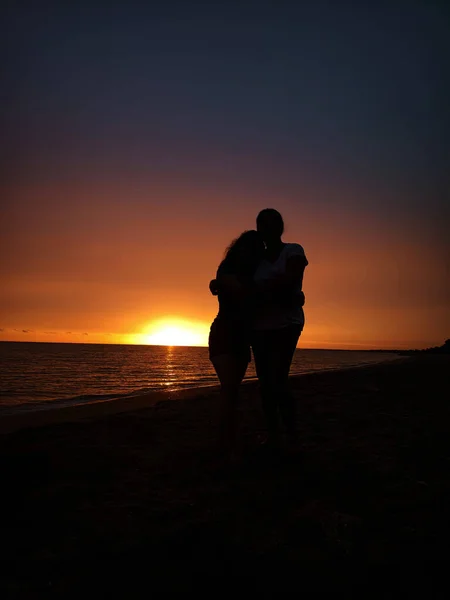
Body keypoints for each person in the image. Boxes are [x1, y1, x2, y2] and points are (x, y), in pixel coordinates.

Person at [251, 208, 308, 451]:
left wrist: (262, 292)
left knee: (278, 379)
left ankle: (292, 436)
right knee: (265, 383)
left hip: (287, 324)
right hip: (260, 326)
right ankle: (274, 435)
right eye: (262, 225)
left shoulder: (293, 250)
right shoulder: (256, 258)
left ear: (280, 227)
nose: (267, 229)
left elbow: (291, 280)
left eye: (272, 224)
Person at [209, 230, 265, 461]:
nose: (249, 253)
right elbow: (241, 292)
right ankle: (226, 445)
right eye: (246, 247)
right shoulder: (227, 270)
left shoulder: (255, 274)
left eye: (254, 249)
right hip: (224, 333)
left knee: (231, 392)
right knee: (229, 390)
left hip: (242, 337)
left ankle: (228, 442)